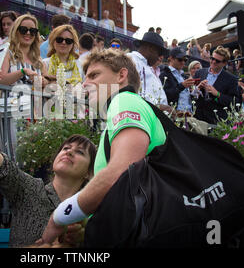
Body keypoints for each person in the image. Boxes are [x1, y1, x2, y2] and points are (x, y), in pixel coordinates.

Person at [38, 48, 167, 245]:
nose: (85, 83)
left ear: (121, 76)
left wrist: (59, 217)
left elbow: (122, 173)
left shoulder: (124, 100)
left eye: (94, 75)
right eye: (85, 77)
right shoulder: (120, 112)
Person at [0, 60, 96, 247]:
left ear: (88, 172)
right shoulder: (29, 188)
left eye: (80, 152)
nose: (69, 152)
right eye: (66, 148)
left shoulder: (90, 210)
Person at [192, 47, 242, 125]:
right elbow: (191, 95)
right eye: (212, 58)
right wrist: (197, 89)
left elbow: (235, 102)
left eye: (217, 61)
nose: (213, 62)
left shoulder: (231, 79)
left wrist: (217, 94)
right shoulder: (200, 73)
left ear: (224, 63)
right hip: (199, 118)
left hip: (217, 120)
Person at [127, 31, 168, 106]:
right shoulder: (131, 59)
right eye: (159, 53)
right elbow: (128, 93)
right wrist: (158, 107)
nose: (159, 57)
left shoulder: (148, 67)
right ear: (151, 48)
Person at [160, 48, 194, 113]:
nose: (183, 62)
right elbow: (166, 95)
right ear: (171, 58)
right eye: (180, 59)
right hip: (175, 113)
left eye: (185, 60)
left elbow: (186, 95)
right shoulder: (164, 74)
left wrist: (194, 91)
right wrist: (182, 86)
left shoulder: (183, 75)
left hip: (188, 112)